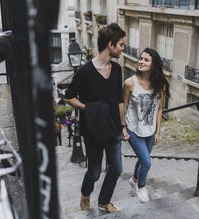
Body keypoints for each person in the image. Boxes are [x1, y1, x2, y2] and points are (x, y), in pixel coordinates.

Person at [63, 23, 127, 213]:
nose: (123, 48)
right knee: (95, 172)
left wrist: (123, 126)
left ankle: (104, 201)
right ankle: (85, 194)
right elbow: (68, 96)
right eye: (121, 44)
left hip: (114, 127)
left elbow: (119, 100)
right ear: (111, 45)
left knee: (116, 169)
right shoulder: (84, 71)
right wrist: (87, 108)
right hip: (93, 130)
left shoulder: (116, 69)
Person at [121, 48, 170, 203]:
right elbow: (122, 105)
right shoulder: (129, 83)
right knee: (146, 162)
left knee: (143, 159)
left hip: (150, 129)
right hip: (133, 129)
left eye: (146, 59)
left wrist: (157, 132)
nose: (141, 61)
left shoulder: (160, 84)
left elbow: (159, 108)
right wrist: (122, 127)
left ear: (153, 64)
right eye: (140, 58)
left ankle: (134, 179)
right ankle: (141, 187)